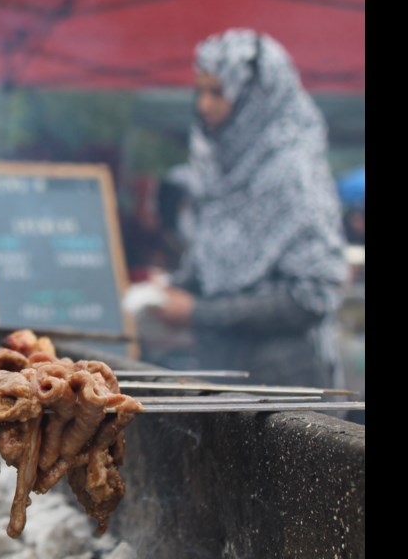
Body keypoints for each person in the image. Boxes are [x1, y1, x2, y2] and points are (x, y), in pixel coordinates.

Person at [147, 28, 349, 388]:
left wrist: (198, 313)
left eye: (218, 92)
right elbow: (219, 268)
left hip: (289, 390)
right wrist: (170, 288)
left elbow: (313, 294)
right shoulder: (221, 168)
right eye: (201, 90)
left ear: (258, 98)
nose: (203, 105)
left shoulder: (292, 172)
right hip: (225, 373)